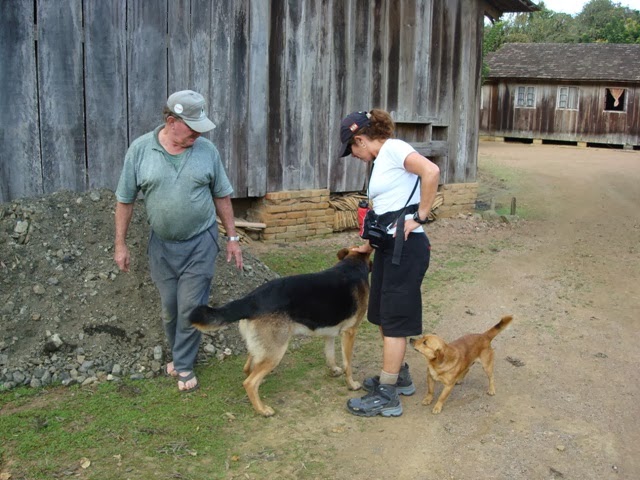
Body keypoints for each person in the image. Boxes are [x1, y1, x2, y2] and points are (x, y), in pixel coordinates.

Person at [113, 90, 243, 393]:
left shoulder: (207, 151)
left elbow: (222, 195)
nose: (198, 134)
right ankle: (179, 353)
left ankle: (184, 364)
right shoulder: (140, 150)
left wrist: (233, 238)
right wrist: (120, 244)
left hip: (200, 242)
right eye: (192, 128)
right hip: (161, 246)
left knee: (189, 307)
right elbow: (125, 200)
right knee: (170, 308)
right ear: (171, 121)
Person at [338, 109, 440, 417]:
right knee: (383, 315)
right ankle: (399, 375)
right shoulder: (381, 161)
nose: (354, 156)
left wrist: (420, 216)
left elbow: (431, 171)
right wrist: (368, 246)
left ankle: (387, 394)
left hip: (406, 249)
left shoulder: (394, 149)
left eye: (352, 149)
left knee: (394, 321)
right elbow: (386, 210)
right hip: (388, 248)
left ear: (360, 139)